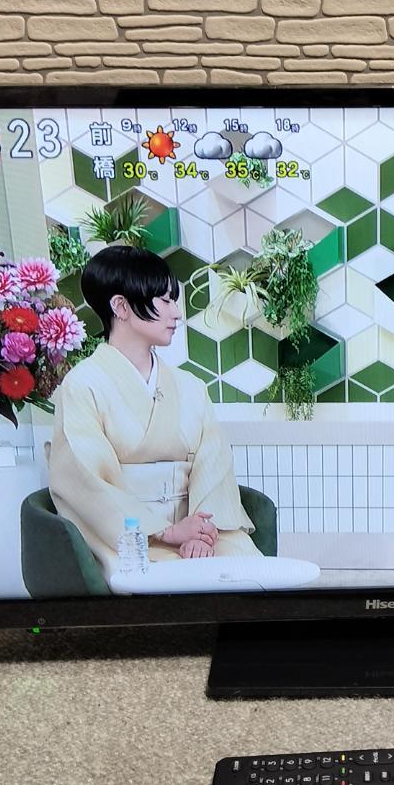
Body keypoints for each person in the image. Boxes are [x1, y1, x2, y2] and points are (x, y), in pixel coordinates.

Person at [48, 245, 261, 575]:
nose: (177, 313)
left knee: (251, 574)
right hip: (130, 536)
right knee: (168, 581)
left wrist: (202, 532)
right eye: (165, 300)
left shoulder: (191, 386)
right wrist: (165, 531)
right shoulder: (82, 385)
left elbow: (214, 464)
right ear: (120, 306)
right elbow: (84, 477)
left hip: (197, 533)